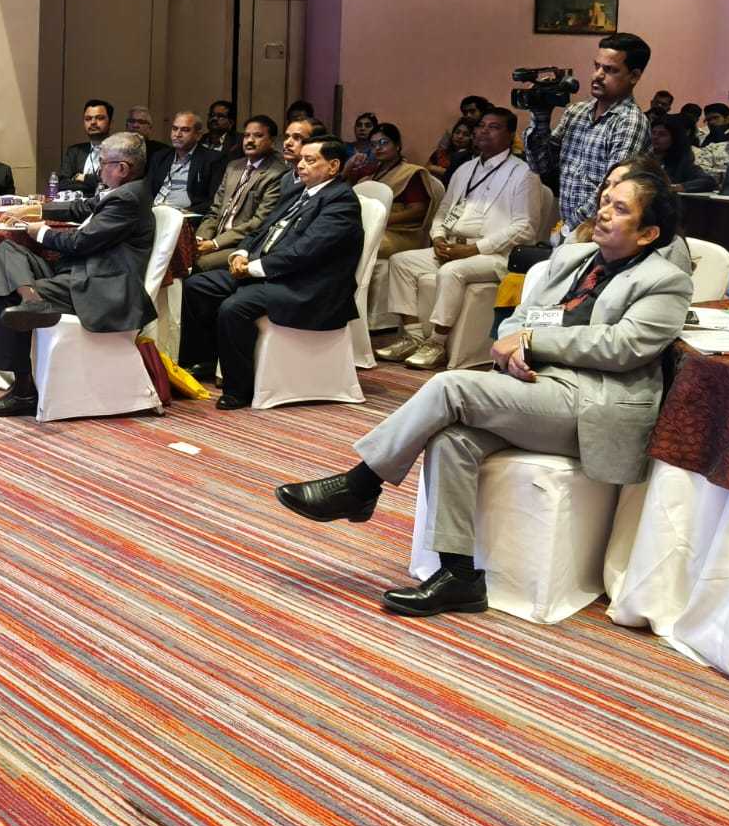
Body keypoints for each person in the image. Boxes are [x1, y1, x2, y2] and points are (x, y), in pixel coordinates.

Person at [275, 169, 691, 617]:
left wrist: (531, 342)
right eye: (606, 200)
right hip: (532, 387)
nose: (604, 212)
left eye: (620, 208)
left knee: (450, 384)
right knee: (452, 439)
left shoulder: (665, 280)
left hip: (591, 402)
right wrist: (513, 347)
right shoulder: (575, 258)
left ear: (647, 233)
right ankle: (459, 576)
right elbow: (520, 318)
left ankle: (361, 483)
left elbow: (623, 346)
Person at [0, 132, 156, 418]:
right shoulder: (123, 191)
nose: (98, 170)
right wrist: (35, 209)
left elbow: (80, 242)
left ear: (122, 168)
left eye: (103, 163)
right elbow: (81, 207)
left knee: (10, 293)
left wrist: (42, 232)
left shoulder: (128, 198)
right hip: (78, 273)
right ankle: (32, 301)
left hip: (100, 286)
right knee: (8, 249)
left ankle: (23, 390)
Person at [179, 137, 364, 409]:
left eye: (310, 160)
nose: (300, 165)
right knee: (197, 286)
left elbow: (306, 252)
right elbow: (260, 229)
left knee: (235, 307)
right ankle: (203, 361)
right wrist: (241, 253)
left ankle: (238, 389)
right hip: (271, 272)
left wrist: (252, 269)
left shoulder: (341, 202)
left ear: (333, 166)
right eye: (301, 159)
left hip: (308, 287)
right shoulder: (299, 192)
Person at [376, 108, 542, 370]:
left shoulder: (523, 173)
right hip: (453, 246)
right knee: (401, 262)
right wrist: (438, 238)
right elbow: (443, 211)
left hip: (495, 255)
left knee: (451, 271)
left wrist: (474, 249)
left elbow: (526, 227)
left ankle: (437, 343)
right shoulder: (466, 169)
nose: (484, 131)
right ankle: (413, 337)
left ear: (510, 135)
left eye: (494, 127)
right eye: (481, 126)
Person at [524, 32, 653, 234]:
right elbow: (540, 166)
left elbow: (612, 190)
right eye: (597, 66)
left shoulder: (629, 122)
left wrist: (569, 229)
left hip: (604, 232)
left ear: (634, 76)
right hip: (572, 232)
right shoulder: (576, 112)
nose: (597, 75)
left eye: (610, 70)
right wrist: (540, 115)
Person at [194, 116, 286, 272]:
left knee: (198, 264)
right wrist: (202, 238)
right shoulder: (233, 166)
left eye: (258, 136)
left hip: (242, 245)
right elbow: (215, 209)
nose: (250, 140)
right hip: (215, 236)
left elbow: (259, 222)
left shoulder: (277, 173)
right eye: (247, 135)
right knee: (178, 255)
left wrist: (215, 244)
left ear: (272, 141)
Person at [364, 123, 436, 259]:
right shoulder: (370, 174)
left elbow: (418, 210)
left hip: (400, 233)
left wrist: (382, 220)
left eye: (383, 143)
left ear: (397, 145)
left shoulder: (409, 173)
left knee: (360, 243)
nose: (378, 148)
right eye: (373, 145)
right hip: (374, 228)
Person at [145, 111, 227, 213]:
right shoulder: (160, 156)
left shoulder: (212, 159)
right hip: (155, 211)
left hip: (186, 214)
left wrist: (188, 212)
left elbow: (213, 199)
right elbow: (147, 190)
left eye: (185, 130)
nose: (177, 134)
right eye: (174, 129)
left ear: (198, 135)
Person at [58, 99, 114, 194]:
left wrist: (83, 178)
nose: (93, 122)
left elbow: (111, 183)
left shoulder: (119, 152)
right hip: (76, 203)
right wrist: (94, 182)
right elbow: (62, 184)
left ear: (111, 122)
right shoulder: (74, 151)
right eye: (88, 119)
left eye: (99, 118)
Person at [649, 115, 715, 194]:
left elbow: (708, 181)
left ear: (674, 139)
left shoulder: (681, 162)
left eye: (662, 134)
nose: (655, 137)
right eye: (653, 133)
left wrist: (675, 188)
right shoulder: (642, 156)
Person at [427, 117, 477, 182]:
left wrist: (436, 169)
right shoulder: (440, 153)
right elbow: (425, 169)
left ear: (472, 138)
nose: (460, 136)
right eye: (457, 132)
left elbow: (457, 177)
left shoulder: (471, 159)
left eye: (465, 135)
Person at [340, 112, 380, 184]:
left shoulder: (378, 151)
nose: (362, 128)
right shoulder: (344, 147)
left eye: (368, 126)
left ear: (375, 129)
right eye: (359, 125)